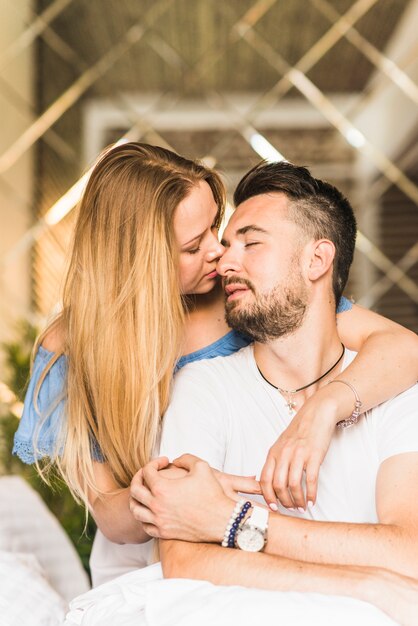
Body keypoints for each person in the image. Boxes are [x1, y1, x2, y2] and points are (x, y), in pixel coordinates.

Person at [13, 144, 418, 584]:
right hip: (149, 560)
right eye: (193, 246)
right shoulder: (73, 347)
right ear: (140, 258)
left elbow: (400, 347)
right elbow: (107, 511)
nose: (220, 254)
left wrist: (322, 411)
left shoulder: (246, 298)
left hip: (250, 548)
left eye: (214, 228)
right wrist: (171, 498)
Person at [129, 161, 418, 624]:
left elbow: (411, 554)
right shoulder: (203, 386)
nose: (224, 261)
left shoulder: (396, 389)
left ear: (317, 260)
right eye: (226, 245)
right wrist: (367, 583)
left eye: (251, 242)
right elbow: (182, 560)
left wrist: (235, 519)